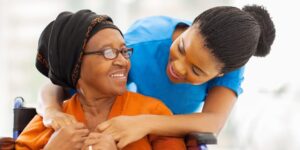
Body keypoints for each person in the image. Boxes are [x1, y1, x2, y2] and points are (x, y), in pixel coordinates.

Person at [37, 5, 276, 149]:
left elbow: (212, 123)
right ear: (191, 26)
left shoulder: (229, 65)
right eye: (181, 48)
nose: (179, 68)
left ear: (220, 73)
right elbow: (57, 82)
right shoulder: (141, 45)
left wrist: (144, 122)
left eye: (196, 71)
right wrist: (52, 111)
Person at [16, 10, 186, 150]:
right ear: (76, 64)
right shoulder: (51, 121)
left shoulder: (153, 113)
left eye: (124, 51)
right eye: (108, 53)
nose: (123, 61)